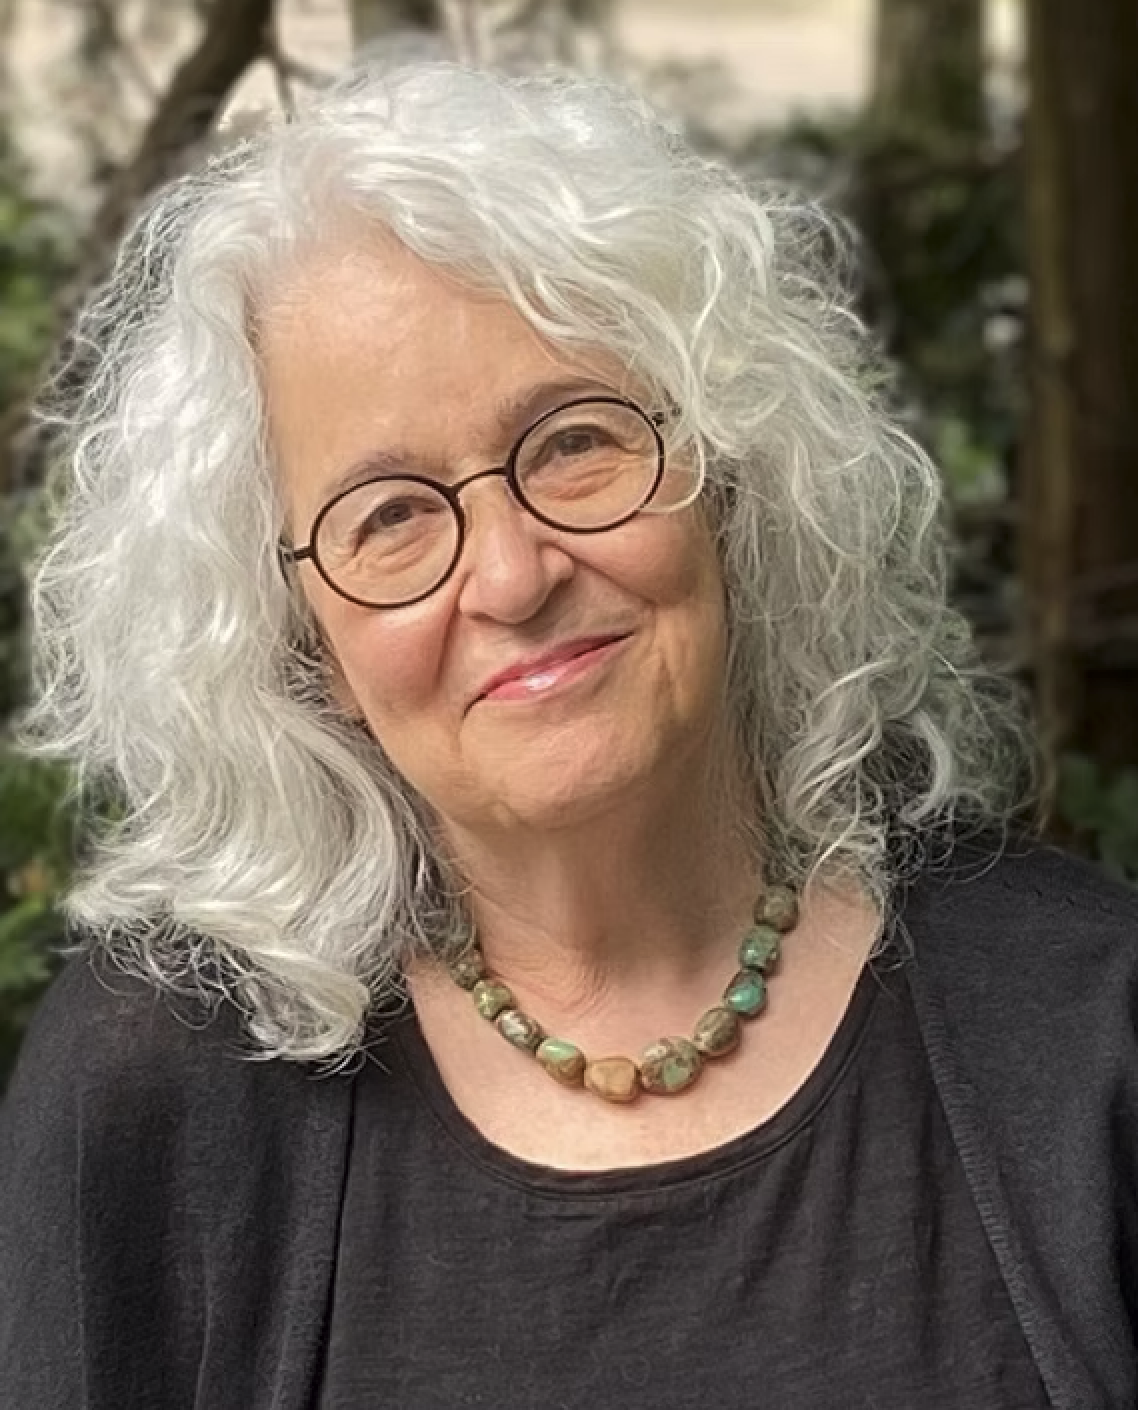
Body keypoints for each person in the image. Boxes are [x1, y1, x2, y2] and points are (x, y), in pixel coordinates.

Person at [1, 57, 1136, 1410]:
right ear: (299, 639)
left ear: (728, 471)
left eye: (574, 441)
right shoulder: (151, 1098)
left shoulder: (1088, 1030)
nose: (511, 575)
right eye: (390, 516)